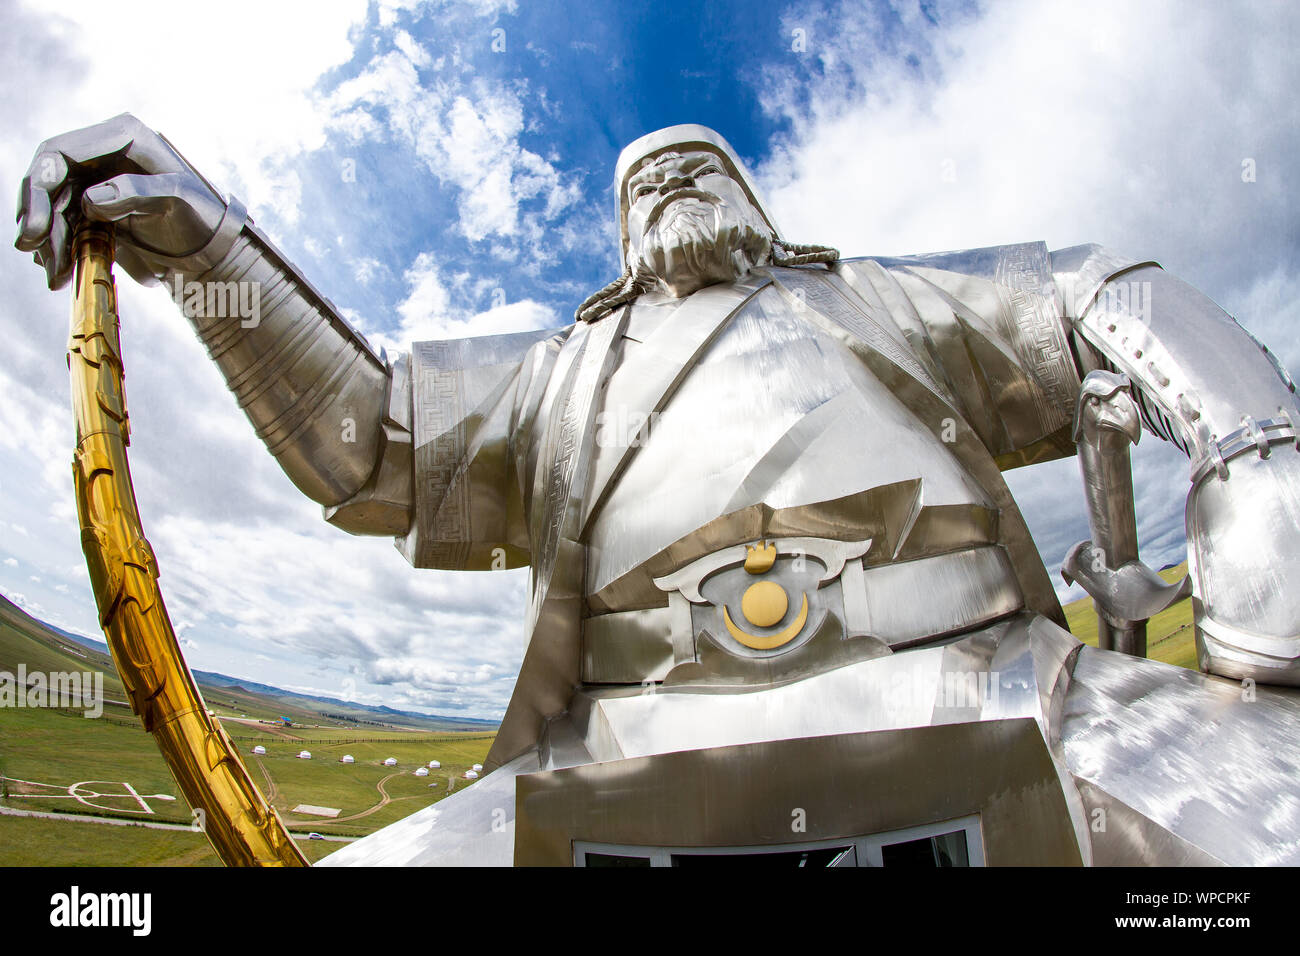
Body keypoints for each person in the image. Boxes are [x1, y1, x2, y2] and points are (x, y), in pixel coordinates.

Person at [18, 116, 1300, 866]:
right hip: (612, 746)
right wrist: (205, 244)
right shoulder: (556, 371)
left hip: (1007, 686)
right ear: (620, 238)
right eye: (642, 178)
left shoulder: (878, 297)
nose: (667, 177)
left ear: (754, 199)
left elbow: (1099, 294)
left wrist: (1256, 458)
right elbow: (371, 447)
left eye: (699, 163)